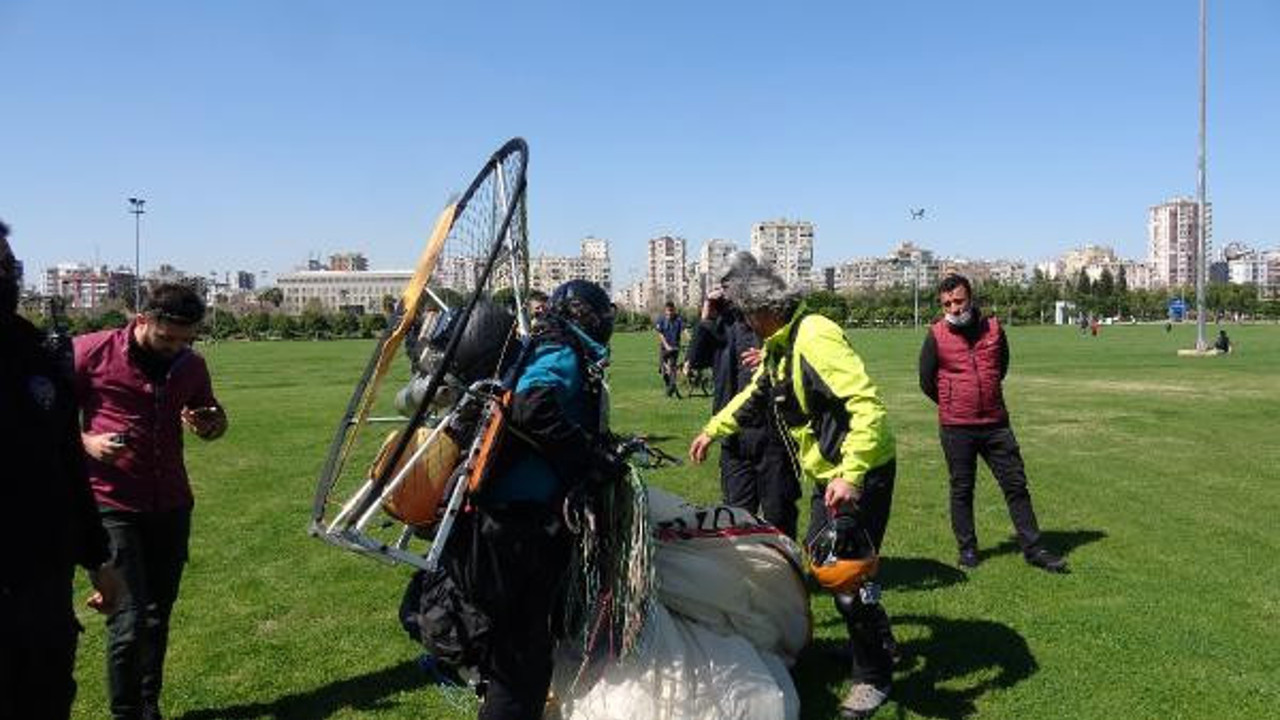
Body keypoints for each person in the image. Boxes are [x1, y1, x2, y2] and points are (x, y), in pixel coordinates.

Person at [688, 255, 898, 719]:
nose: (744, 324)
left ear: (764, 310)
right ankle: (878, 644)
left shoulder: (815, 336)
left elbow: (867, 407)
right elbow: (756, 394)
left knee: (844, 574)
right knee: (830, 567)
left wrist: (852, 472)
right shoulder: (781, 344)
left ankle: (874, 677)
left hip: (859, 473)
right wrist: (713, 429)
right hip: (832, 475)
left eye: (746, 315)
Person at [464, 279, 617, 720]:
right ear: (585, 317)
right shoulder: (562, 351)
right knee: (523, 657)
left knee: (517, 650)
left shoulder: (545, 343)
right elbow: (531, 404)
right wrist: (585, 454)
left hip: (507, 519)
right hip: (520, 527)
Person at [74, 283, 228, 720]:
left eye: (186, 340)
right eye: (167, 338)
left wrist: (210, 423)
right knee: (129, 619)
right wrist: (85, 441)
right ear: (143, 320)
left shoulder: (191, 366)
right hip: (112, 504)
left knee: (158, 617)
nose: (176, 348)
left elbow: (213, 422)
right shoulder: (90, 352)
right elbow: (37, 414)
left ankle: (148, 708)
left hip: (172, 505)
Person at [1, 220, 122, 720]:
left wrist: (97, 557)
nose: (6, 273)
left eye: (7, 263)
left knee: (47, 698)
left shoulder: (29, 349)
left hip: (40, 580)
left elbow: (65, 462)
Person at [918, 274, 1067, 574]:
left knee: (1016, 485)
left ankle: (1034, 548)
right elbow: (926, 381)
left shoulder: (995, 329)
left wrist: (983, 392)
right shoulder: (935, 335)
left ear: (970, 298)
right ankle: (968, 549)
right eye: (947, 304)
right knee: (962, 489)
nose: (954, 309)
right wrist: (953, 400)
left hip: (996, 424)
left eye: (959, 301)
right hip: (956, 427)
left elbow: (1001, 368)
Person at [685, 264, 801, 539]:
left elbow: (800, 353)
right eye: (722, 286)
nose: (723, 292)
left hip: (773, 433)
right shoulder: (721, 322)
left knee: (778, 511)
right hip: (733, 435)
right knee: (736, 511)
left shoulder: (770, 318)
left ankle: (785, 572)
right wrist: (706, 316)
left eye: (729, 285)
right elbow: (695, 361)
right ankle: (745, 573)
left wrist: (773, 353)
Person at [654, 301, 684, 398]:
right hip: (664, 348)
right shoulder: (661, 319)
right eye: (668, 311)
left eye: (671, 311)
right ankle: (670, 385)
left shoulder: (678, 319)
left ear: (674, 310)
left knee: (672, 368)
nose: (670, 313)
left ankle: (671, 388)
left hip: (675, 347)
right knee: (663, 370)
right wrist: (666, 345)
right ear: (665, 310)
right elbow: (660, 334)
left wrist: (691, 339)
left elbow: (684, 330)